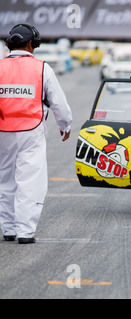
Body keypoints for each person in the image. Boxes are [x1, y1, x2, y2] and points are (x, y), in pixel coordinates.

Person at [0, 24, 73, 244]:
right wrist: (65, 125)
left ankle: (8, 228)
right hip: (31, 130)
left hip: (2, 130)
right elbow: (58, 102)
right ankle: (25, 232)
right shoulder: (42, 68)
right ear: (32, 44)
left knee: (5, 179)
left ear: (8, 45)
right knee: (30, 180)